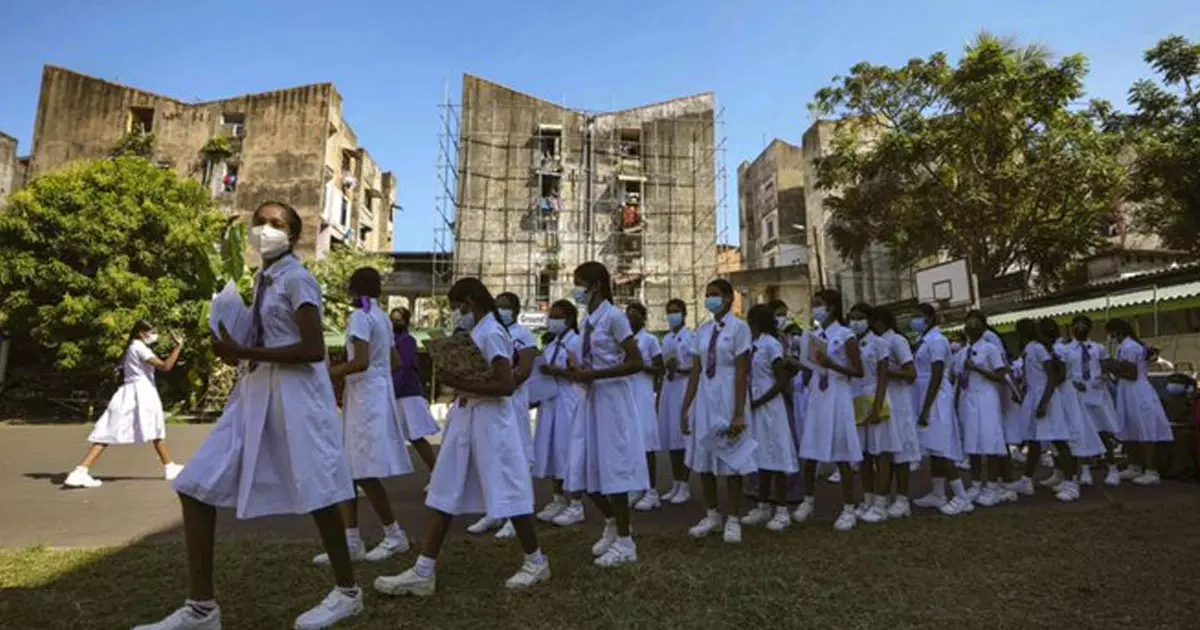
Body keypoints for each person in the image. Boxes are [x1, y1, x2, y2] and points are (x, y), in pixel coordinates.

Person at [135, 201, 362, 630]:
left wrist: (242, 350)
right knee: (195, 486)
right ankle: (202, 608)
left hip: (295, 397)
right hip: (254, 394)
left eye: (276, 224)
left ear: (293, 236)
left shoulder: (298, 280)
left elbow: (313, 350)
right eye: (259, 222)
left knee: (322, 493)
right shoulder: (262, 279)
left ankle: (348, 592)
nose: (265, 229)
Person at [374, 278, 549, 597]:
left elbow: (506, 385)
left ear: (469, 302)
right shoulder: (476, 333)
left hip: (491, 422)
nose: (456, 313)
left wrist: (457, 382)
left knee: (509, 489)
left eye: (456, 307)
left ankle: (535, 561)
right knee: (444, 490)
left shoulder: (493, 332)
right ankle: (423, 570)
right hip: (466, 419)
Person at [312, 268, 414, 567]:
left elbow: (360, 362)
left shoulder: (360, 316)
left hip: (365, 398)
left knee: (364, 472)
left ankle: (394, 534)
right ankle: (351, 539)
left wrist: (326, 374)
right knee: (351, 470)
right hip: (373, 394)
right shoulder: (381, 316)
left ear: (353, 290)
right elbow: (393, 362)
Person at [563, 261, 647, 567]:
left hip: (612, 400)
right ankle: (613, 523)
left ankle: (626, 542)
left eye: (579, 283)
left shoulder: (614, 317)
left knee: (615, 469)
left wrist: (597, 374)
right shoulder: (588, 321)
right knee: (583, 471)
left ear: (596, 285)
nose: (576, 290)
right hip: (591, 399)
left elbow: (635, 361)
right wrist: (579, 371)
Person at [64, 321, 185, 489]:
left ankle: (169, 466)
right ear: (142, 333)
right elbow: (166, 366)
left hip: (135, 392)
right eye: (152, 331)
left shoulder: (132, 347)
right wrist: (178, 348)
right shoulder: (139, 348)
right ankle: (80, 471)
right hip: (140, 394)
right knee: (109, 431)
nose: (154, 334)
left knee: (154, 428)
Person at [680, 279, 756, 542]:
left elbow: (742, 370)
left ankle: (733, 518)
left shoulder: (739, 329)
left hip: (728, 395)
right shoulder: (702, 331)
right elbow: (696, 371)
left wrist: (738, 412)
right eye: (706, 295)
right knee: (704, 461)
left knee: (732, 460)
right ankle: (712, 514)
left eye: (714, 295)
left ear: (727, 298)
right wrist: (685, 407)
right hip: (705, 398)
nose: (709, 299)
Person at [468, 292, 538, 539]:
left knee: (516, 459)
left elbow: (525, 368)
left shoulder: (523, 334)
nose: (502, 311)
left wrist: (506, 383)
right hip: (492, 400)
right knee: (492, 457)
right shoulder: (488, 330)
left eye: (507, 307)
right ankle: (495, 511)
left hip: (513, 401)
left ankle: (516, 515)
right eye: (498, 307)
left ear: (517, 310)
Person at [793, 289, 863, 531]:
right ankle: (808, 500)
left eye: (819, 304)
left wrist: (831, 365)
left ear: (832, 307)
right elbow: (807, 364)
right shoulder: (814, 335)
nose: (815, 309)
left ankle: (849, 508)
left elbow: (858, 370)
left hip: (838, 392)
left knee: (842, 451)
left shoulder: (846, 335)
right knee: (810, 448)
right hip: (817, 393)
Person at [739, 304, 798, 532]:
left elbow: (781, 381)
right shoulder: (752, 345)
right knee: (761, 456)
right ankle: (763, 505)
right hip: (754, 407)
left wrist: (760, 401)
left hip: (770, 407)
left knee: (777, 456)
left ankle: (782, 510)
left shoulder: (771, 345)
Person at [909, 303, 973, 515]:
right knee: (933, 447)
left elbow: (936, 374)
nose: (913, 320)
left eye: (917, 316)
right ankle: (938, 493)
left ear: (928, 318)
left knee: (942, 447)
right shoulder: (925, 341)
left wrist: (927, 406)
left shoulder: (937, 341)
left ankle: (962, 496)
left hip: (935, 397)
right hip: (926, 395)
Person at [533, 300, 587, 527]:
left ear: (568, 319)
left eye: (557, 316)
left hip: (568, 399)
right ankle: (558, 499)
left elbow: (582, 373)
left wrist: (559, 371)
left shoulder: (575, 342)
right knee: (551, 449)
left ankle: (576, 503)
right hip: (551, 400)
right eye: (551, 316)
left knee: (567, 450)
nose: (552, 320)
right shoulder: (553, 344)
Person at [1041, 318, 1106, 501]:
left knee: (1069, 437)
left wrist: (1046, 393)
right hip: (1062, 394)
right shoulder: (1058, 348)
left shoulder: (1058, 350)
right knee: (1059, 439)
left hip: (1065, 394)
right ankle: (1064, 476)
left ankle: (1073, 483)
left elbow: (1059, 375)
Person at [955, 310, 1014, 508]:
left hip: (987, 398)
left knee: (989, 442)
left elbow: (1000, 376)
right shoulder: (962, 352)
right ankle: (976, 483)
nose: (972, 329)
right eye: (968, 325)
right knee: (972, 443)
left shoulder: (990, 349)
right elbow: (958, 378)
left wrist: (977, 368)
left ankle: (992, 486)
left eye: (976, 325)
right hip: (968, 398)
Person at [1105, 318, 1174, 485]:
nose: (1109, 337)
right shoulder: (1123, 347)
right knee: (1130, 429)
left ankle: (1151, 470)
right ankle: (1134, 465)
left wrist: (1112, 365)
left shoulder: (1130, 347)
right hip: (1127, 392)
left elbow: (1132, 374)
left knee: (1145, 430)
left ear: (1118, 332)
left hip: (1138, 392)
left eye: (1110, 333)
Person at [868, 306, 921, 518]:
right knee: (886, 453)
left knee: (902, 454)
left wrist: (885, 370)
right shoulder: (875, 343)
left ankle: (902, 499)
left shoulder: (897, 341)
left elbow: (911, 372)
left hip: (899, 402)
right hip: (884, 400)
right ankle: (885, 498)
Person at [846, 302, 895, 523]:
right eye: (852, 318)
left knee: (881, 453)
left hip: (875, 396)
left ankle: (882, 502)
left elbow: (883, 376)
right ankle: (867, 499)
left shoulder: (880, 343)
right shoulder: (852, 343)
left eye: (859, 317)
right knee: (864, 454)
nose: (855, 322)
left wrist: (877, 406)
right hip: (857, 399)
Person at [1064, 316, 1122, 486]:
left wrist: (1103, 377)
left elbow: (1107, 368)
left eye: (1084, 326)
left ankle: (1112, 468)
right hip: (1078, 395)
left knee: (1103, 431)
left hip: (1097, 393)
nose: (1080, 328)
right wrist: (1072, 383)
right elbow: (1064, 373)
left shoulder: (1098, 348)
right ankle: (1085, 470)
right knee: (1082, 432)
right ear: (1072, 327)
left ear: (1090, 328)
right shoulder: (1066, 350)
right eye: (1077, 325)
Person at [389, 307, 440, 475]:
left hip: (406, 394)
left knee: (416, 436)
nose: (395, 323)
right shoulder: (390, 339)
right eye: (392, 320)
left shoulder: (407, 340)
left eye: (398, 320)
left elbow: (405, 366)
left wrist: (393, 389)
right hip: (394, 392)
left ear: (406, 322)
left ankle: (436, 473)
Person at [656, 298, 695, 504]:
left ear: (684, 313)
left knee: (683, 438)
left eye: (676, 311)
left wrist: (680, 368)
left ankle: (686, 485)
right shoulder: (667, 338)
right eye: (669, 311)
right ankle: (676, 482)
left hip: (683, 386)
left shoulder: (690, 337)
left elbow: (698, 366)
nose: (672, 315)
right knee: (672, 438)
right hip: (669, 387)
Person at [628, 302, 666, 511]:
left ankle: (652, 491)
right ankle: (636, 486)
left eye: (634, 315)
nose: (630, 319)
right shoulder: (624, 341)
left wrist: (642, 366)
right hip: (627, 395)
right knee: (631, 443)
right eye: (628, 315)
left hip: (642, 395)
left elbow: (660, 369)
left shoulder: (649, 340)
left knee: (647, 445)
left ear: (643, 318)